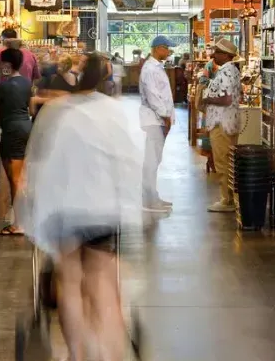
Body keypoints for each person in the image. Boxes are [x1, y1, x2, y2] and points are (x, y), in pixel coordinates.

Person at [22, 53, 142, 361]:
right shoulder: (114, 113)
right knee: (103, 281)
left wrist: (32, 212)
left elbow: (40, 163)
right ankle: (110, 352)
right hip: (103, 210)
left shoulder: (59, 111)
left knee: (70, 280)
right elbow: (128, 163)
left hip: (66, 210)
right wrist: (130, 209)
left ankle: (77, 353)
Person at [0, 48, 33, 236]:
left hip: (12, 131)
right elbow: (28, 107)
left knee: (15, 180)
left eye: (1, 63)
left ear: (7, 65)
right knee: (20, 178)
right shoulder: (26, 83)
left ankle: (19, 224)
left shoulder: (4, 86)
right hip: (25, 127)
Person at [203, 38, 241, 212]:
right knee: (228, 161)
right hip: (228, 122)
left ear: (226, 55)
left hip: (222, 123)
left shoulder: (226, 72)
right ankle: (229, 198)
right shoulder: (231, 70)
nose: (213, 55)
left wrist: (207, 98)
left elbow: (226, 99)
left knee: (223, 162)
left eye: (217, 52)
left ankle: (227, 200)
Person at [139, 36, 175, 213]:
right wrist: (165, 115)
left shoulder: (156, 67)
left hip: (159, 120)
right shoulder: (150, 69)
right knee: (152, 160)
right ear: (158, 48)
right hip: (155, 120)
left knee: (155, 159)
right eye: (167, 48)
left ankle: (152, 196)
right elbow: (153, 96)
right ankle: (148, 200)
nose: (169, 52)